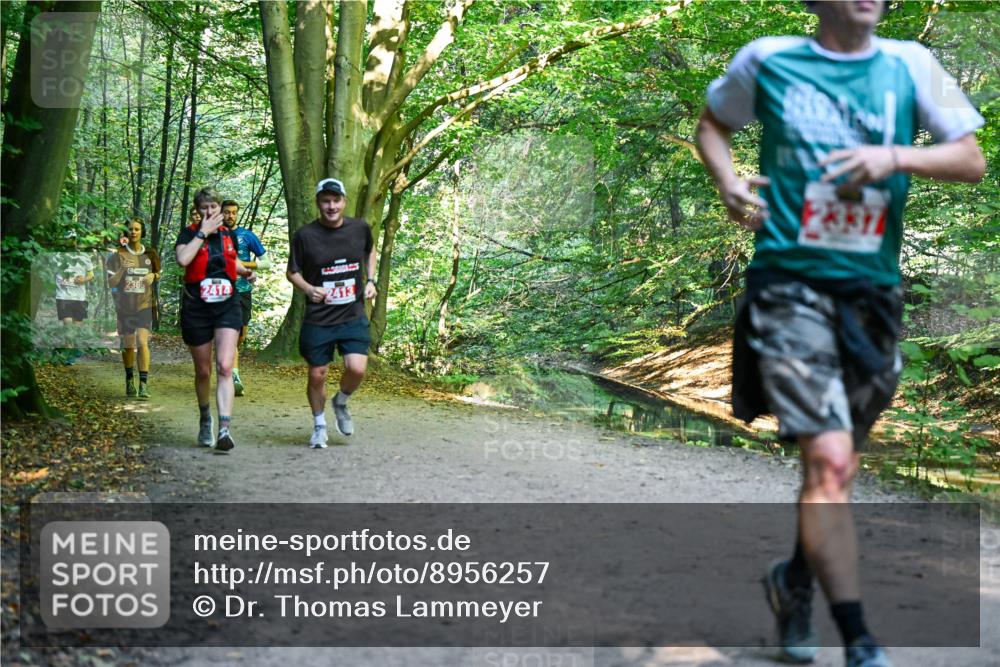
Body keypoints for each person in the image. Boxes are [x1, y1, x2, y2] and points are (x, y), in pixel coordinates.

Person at [696, 2, 985, 666]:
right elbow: (713, 126)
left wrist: (894, 158)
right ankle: (860, 640)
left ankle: (792, 581)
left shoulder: (913, 64)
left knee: (839, 466)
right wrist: (728, 182)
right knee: (826, 462)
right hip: (787, 284)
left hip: (871, 294)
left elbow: (971, 159)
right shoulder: (767, 58)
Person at [286, 178, 377, 449]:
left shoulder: (359, 228)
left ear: (344, 202)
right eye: (325, 201)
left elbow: (370, 251)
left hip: (352, 312)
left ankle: (341, 401)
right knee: (317, 374)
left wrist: (371, 281)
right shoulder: (304, 236)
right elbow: (292, 272)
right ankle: (319, 426)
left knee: (357, 368)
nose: (331, 206)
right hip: (320, 317)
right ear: (318, 203)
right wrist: (308, 289)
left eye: (336, 200)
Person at [175, 187, 254, 451]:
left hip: (227, 304)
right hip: (197, 305)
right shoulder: (189, 233)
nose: (210, 212)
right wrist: (202, 232)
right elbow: (183, 259)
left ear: (219, 209)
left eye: (213, 207)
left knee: (224, 366)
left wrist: (245, 272)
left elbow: (231, 261)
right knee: (203, 371)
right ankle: (205, 418)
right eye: (204, 208)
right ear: (198, 211)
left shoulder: (228, 235)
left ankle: (224, 429)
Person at [107, 218, 161, 399]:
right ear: (126, 232)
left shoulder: (151, 253)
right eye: (130, 229)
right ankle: (129, 379)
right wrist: (122, 270)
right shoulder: (118, 254)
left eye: (137, 229)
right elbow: (110, 282)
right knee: (129, 344)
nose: (133, 232)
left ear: (142, 231)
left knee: (143, 342)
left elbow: (158, 273)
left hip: (145, 304)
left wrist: (154, 275)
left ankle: (143, 384)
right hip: (125, 306)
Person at [220, 199, 269, 397]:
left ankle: (228, 362)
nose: (230, 216)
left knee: (241, 336)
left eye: (233, 212)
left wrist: (246, 267)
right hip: (221, 292)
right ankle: (234, 376)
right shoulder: (214, 235)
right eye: (226, 212)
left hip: (243, 290)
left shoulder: (247, 236)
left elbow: (266, 262)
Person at [54, 232, 94, 326]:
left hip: (79, 297)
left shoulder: (84, 256)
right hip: (63, 296)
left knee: (77, 330)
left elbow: (91, 275)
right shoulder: (57, 255)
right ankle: (67, 341)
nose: (71, 241)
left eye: (73, 239)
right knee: (68, 325)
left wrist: (83, 279)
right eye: (68, 239)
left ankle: (70, 341)